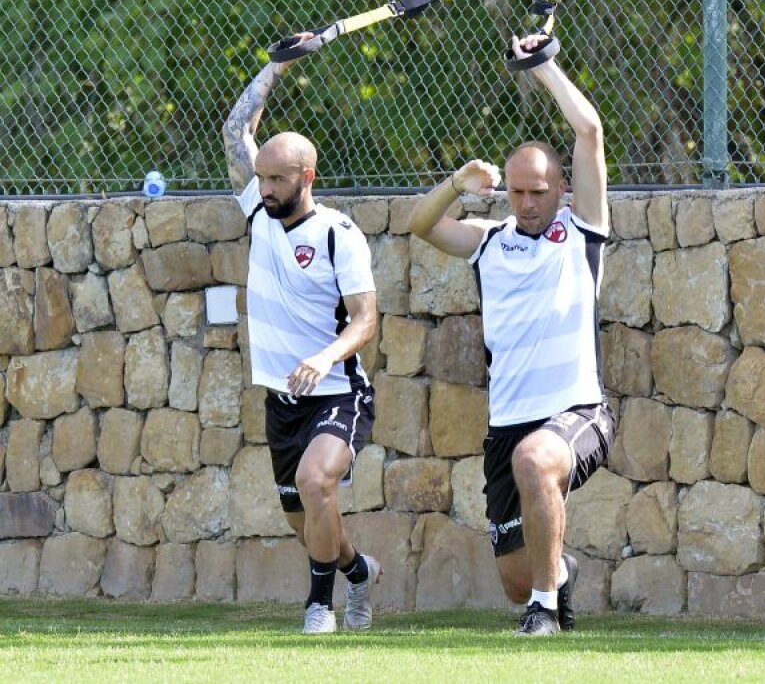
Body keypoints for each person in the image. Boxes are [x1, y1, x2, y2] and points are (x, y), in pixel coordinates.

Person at [409, 35, 615, 636]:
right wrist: (456, 183)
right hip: (507, 423)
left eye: (539, 191)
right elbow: (421, 225)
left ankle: (545, 613)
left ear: (562, 192)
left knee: (537, 459)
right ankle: (551, 583)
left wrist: (545, 66)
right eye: (517, 191)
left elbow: (590, 132)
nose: (527, 202)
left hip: (578, 411)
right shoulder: (488, 242)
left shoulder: (581, 234)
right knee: (515, 580)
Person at [223, 47, 382, 635]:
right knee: (309, 519)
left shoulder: (340, 235)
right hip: (281, 402)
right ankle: (359, 570)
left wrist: (323, 356)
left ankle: (319, 608)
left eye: (276, 178)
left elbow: (366, 320)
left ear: (306, 177)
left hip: (338, 392)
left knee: (318, 484)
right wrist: (276, 66)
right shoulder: (258, 218)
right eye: (260, 176)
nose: (264, 186)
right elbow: (235, 129)